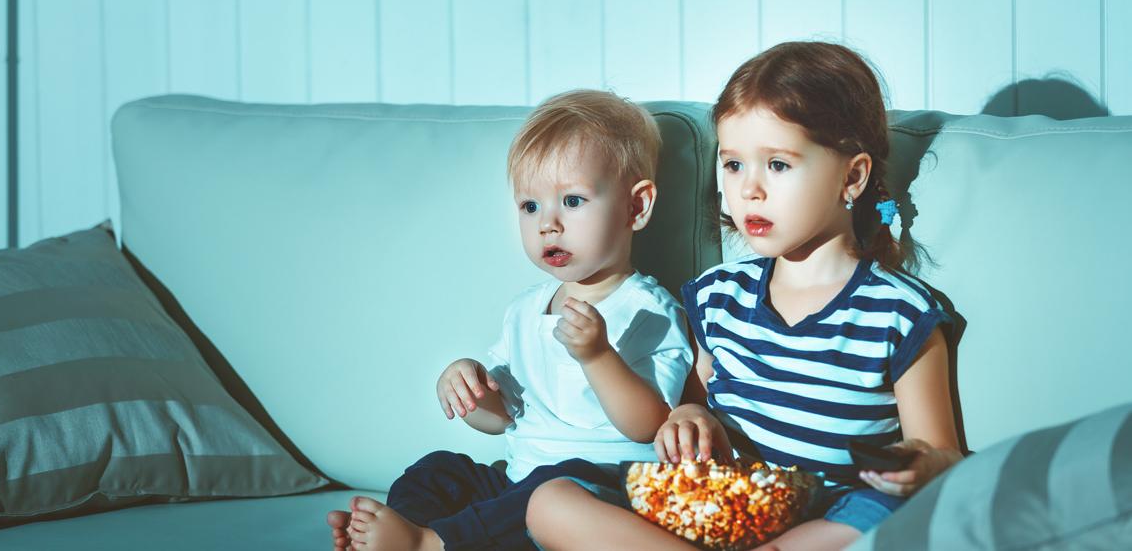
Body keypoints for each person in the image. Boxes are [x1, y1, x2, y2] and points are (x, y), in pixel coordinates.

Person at [526, 42, 965, 551]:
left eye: (777, 165)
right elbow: (691, 407)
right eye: (733, 166)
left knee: (886, 514)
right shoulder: (718, 298)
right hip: (720, 508)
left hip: (831, 508)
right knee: (550, 500)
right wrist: (688, 421)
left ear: (852, 176)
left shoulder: (898, 313)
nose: (749, 190)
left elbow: (942, 453)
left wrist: (918, 464)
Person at [325, 89, 694, 551]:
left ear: (635, 207)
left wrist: (598, 356)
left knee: (554, 488)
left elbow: (650, 423)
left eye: (573, 201)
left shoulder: (648, 309)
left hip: (601, 491)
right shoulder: (525, 309)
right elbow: (502, 419)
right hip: (518, 485)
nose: (548, 224)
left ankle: (428, 543)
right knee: (441, 469)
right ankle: (401, 527)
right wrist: (470, 390)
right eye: (530, 206)